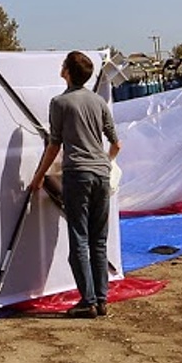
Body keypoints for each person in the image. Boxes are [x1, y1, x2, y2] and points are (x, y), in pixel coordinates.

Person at [30, 51, 121, 318]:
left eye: (63, 65)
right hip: (101, 176)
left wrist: (38, 177)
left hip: (77, 175)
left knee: (79, 239)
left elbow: (54, 145)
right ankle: (102, 300)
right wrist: (104, 163)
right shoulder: (98, 101)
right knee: (99, 240)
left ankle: (87, 301)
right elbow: (116, 144)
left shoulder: (60, 103)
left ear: (68, 72)